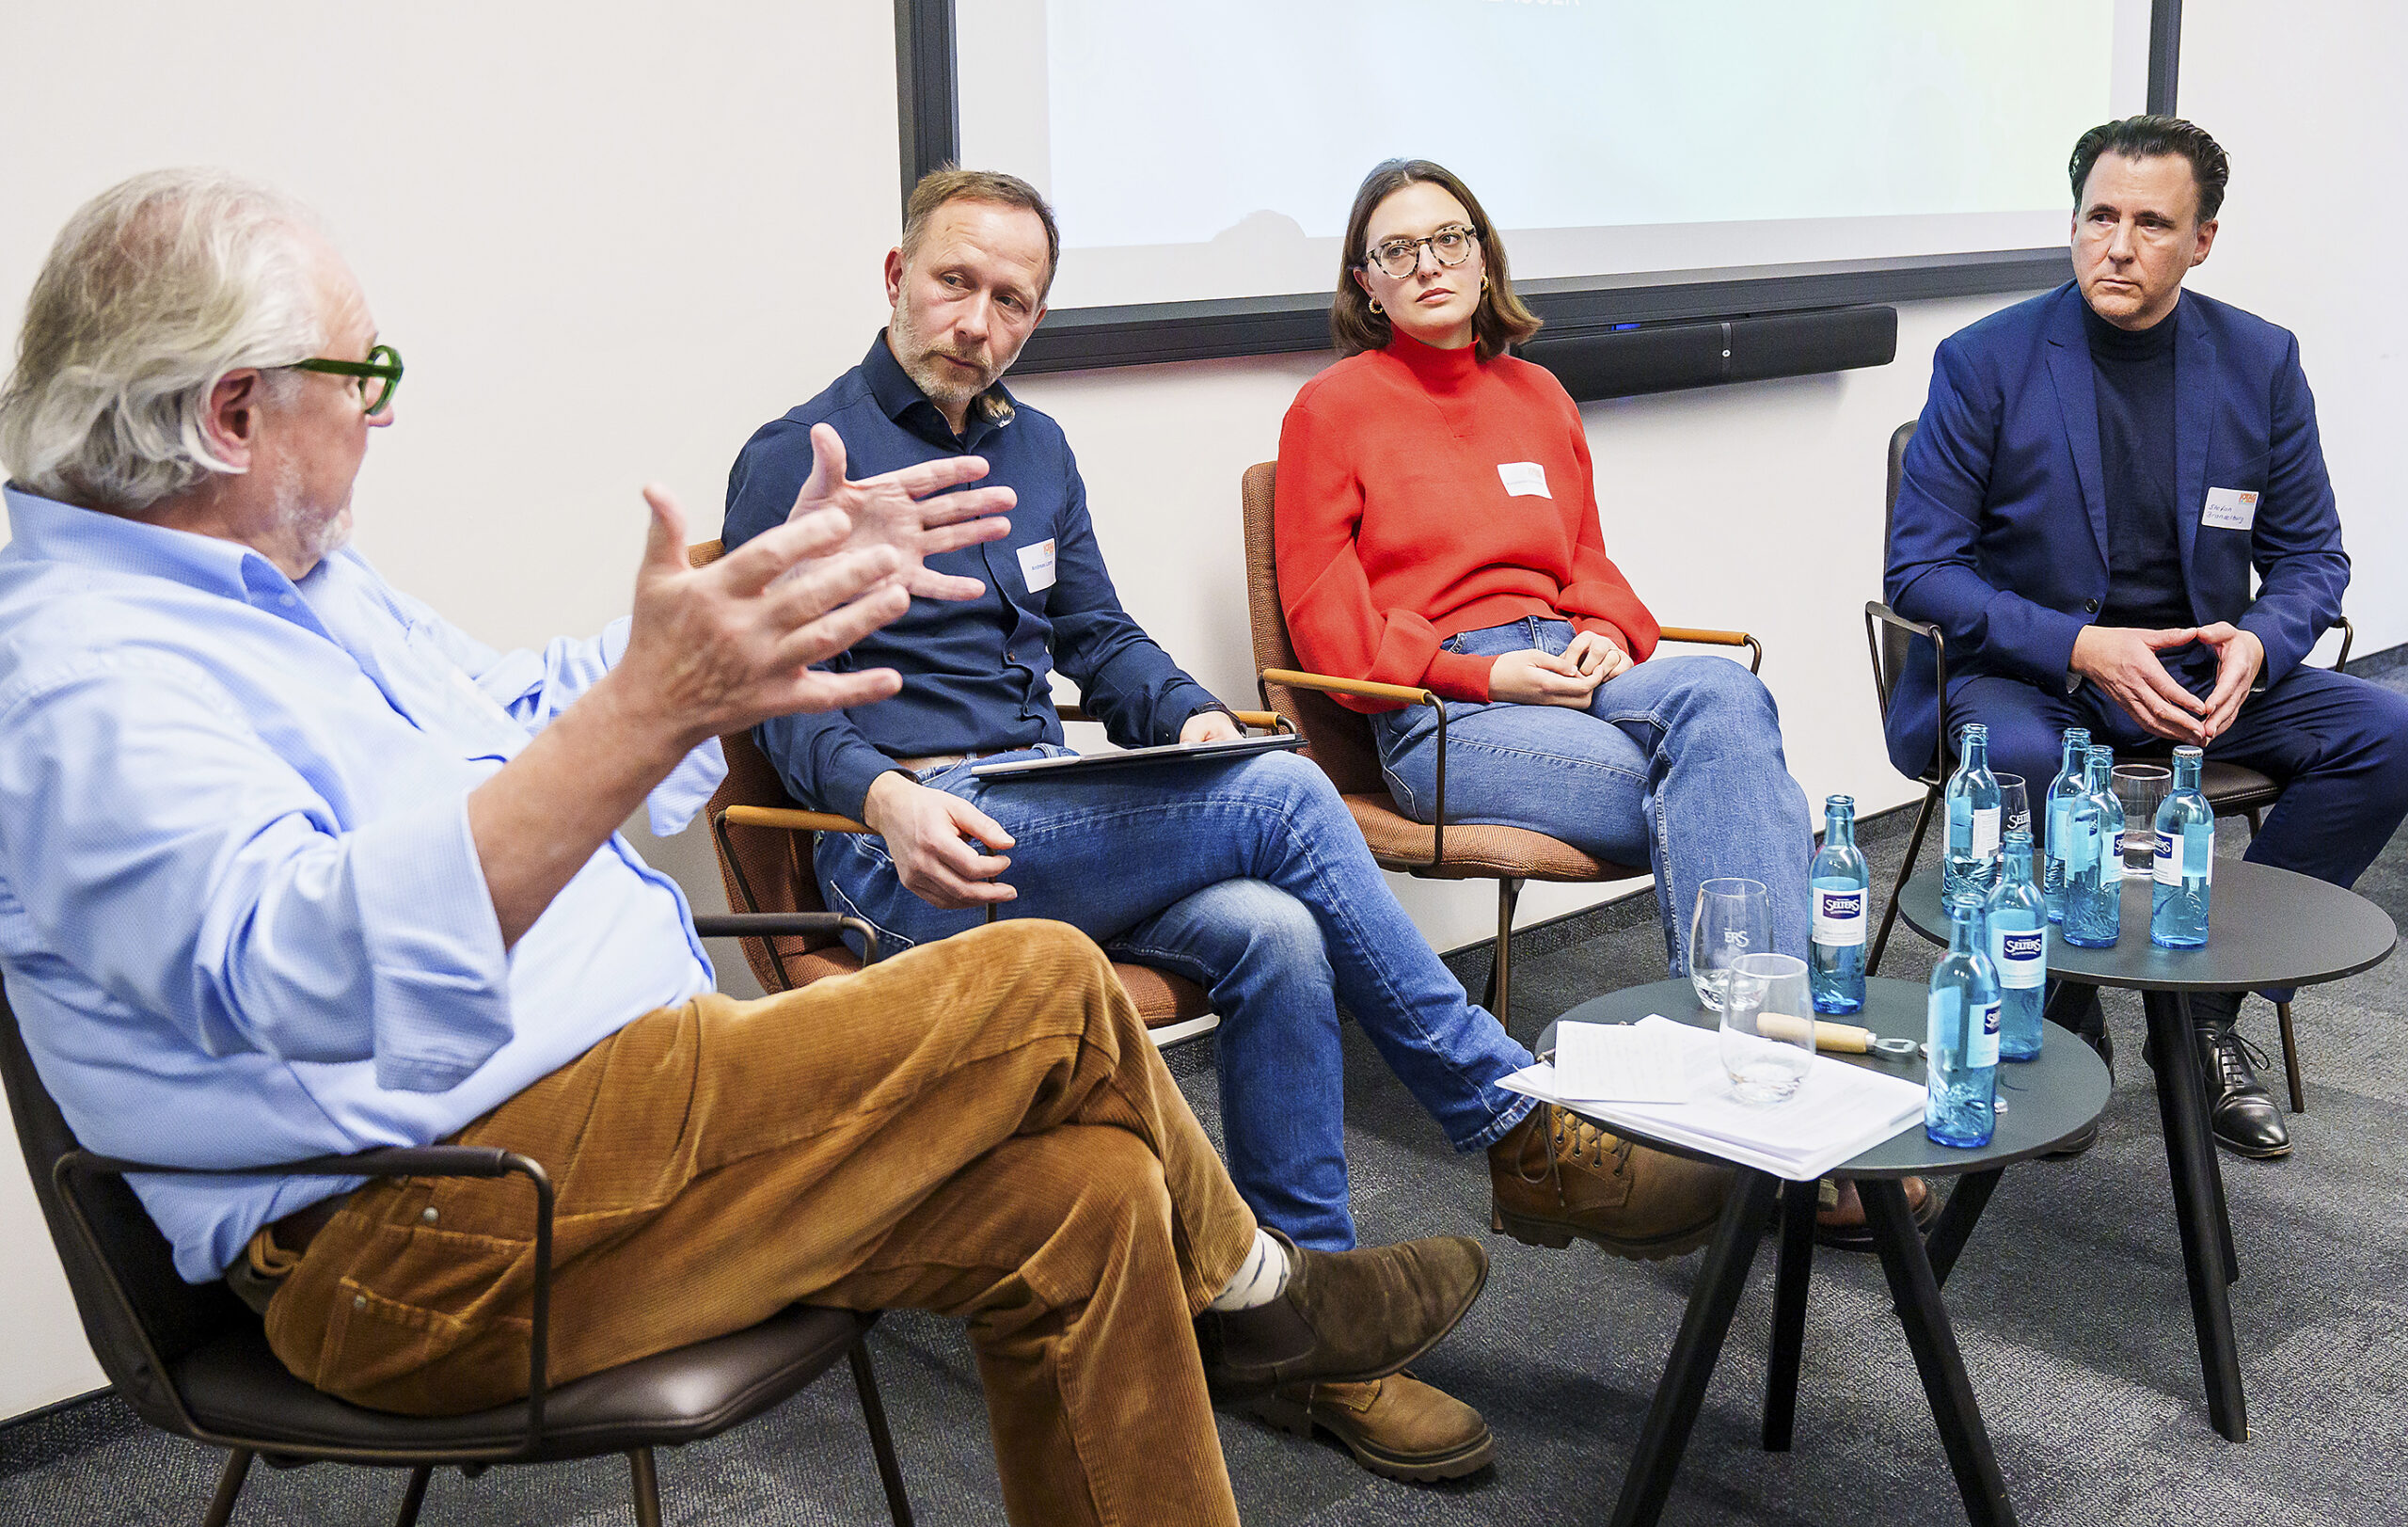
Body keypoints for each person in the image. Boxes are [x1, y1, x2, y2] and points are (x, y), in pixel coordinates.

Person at [0, 170, 1494, 1527]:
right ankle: (1271, 1292)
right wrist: (663, 706)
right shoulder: (80, 672)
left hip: (613, 1117)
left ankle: (1250, 1295)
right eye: (363, 375)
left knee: (1092, 1200)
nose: (381, 414)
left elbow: (519, 719)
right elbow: (309, 975)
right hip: (427, 1232)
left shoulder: (301, 580)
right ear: (232, 414)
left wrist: (747, 623)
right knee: (1039, 983)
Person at [722, 167, 1731, 1482]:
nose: (977, 318)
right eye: (955, 281)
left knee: (1270, 925)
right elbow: (777, 698)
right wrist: (883, 793)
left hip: (1039, 810)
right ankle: (1517, 1124)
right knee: (1286, 787)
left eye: (1011, 298)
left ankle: (1300, 1332)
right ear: (897, 275)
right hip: (909, 846)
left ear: (1034, 317)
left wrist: (1195, 717)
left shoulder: (1036, 449)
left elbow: (1095, 632)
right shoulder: (802, 457)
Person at [1274, 160, 1881, 1240]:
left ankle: (1741, 1093)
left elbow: (1588, 561)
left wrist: (1602, 632)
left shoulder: (1536, 394)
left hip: (1570, 666)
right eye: (1397, 251)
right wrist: (1479, 673)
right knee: (1750, 799)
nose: (1428, 265)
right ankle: (1777, 1106)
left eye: (1448, 239)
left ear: (1483, 253)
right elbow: (1329, 626)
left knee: (1722, 700)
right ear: (1364, 283)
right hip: (1447, 718)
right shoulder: (1330, 411)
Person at [1884, 114, 2408, 1160]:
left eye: (2150, 224)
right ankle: (2069, 1008)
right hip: (2034, 672)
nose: (2116, 247)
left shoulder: (2258, 361)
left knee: (2387, 735)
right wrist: (2083, 648)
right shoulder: (1984, 362)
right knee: (2026, 764)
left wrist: (2260, 639)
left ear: (2202, 239)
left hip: (2203, 673)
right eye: (2098, 218)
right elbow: (1920, 570)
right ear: (2073, 221)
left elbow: (2312, 558)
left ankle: (2206, 1016)